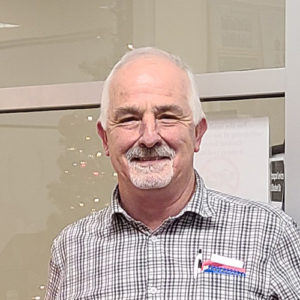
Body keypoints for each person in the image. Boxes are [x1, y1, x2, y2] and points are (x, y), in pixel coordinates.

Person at [45, 47, 300, 299]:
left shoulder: (268, 234)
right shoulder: (71, 248)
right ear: (104, 139)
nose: (149, 137)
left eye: (167, 116)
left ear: (197, 133)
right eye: (129, 119)